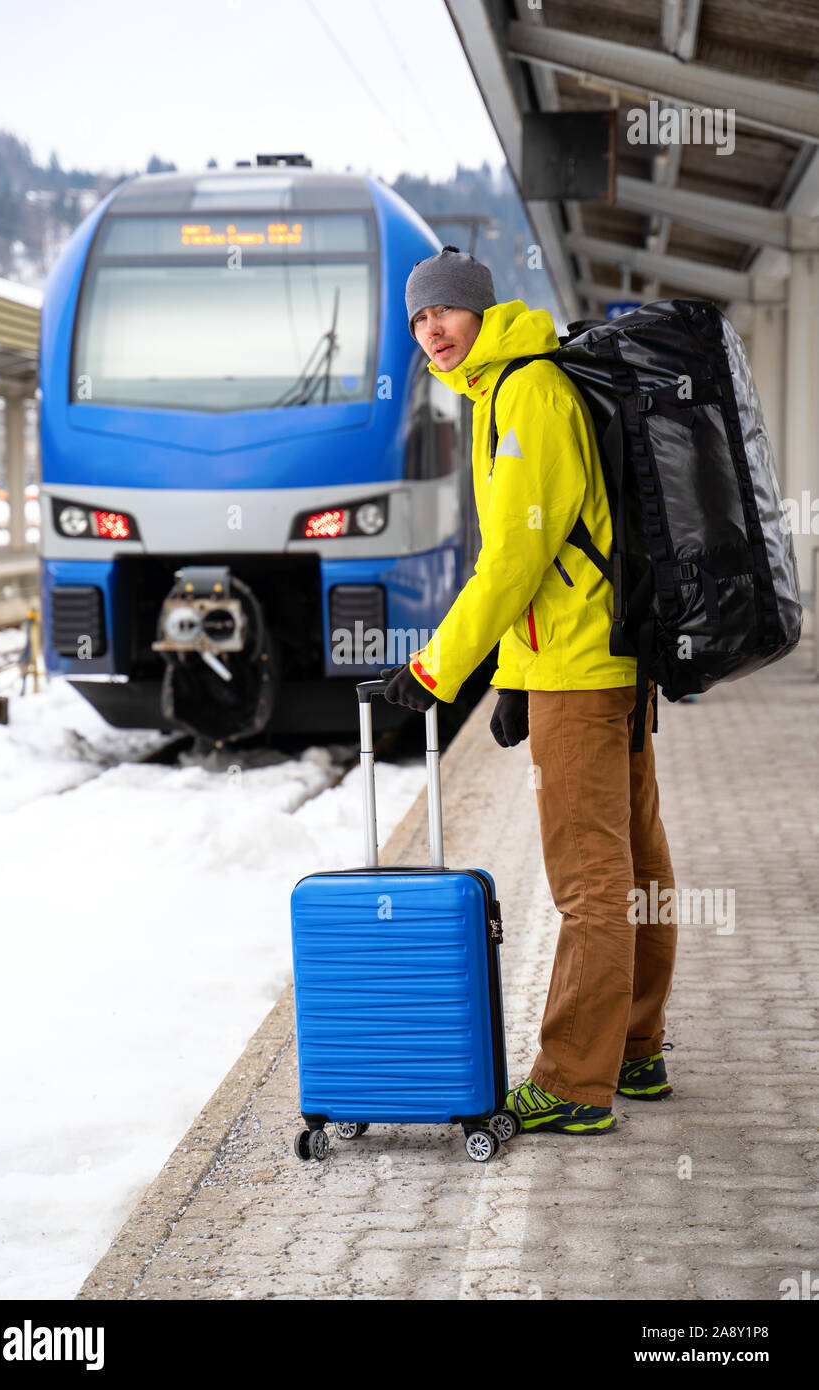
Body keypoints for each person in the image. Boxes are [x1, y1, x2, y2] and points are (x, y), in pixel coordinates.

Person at [382, 245, 677, 1135]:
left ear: (480, 311)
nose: (431, 330)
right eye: (418, 319)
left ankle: (573, 1082)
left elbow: (515, 557)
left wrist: (439, 668)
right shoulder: (515, 385)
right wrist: (510, 678)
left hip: (580, 675)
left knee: (590, 879)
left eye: (444, 312)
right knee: (636, 864)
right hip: (601, 657)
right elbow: (557, 552)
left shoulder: (524, 394)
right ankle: (635, 1048)